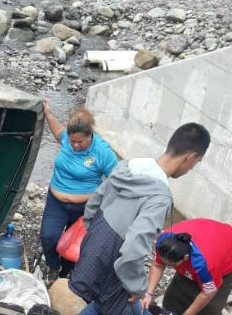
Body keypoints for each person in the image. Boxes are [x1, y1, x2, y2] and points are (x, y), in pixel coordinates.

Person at [68, 122, 211, 315]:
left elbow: (93, 205)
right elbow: (133, 247)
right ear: (191, 157)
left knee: (100, 305)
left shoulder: (129, 166)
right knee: (119, 307)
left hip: (93, 252)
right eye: (194, 164)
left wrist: (95, 241)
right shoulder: (159, 197)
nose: (190, 169)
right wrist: (137, 287)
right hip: (117, 267)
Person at [40, 100, 118, 285]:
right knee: (48, 236)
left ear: (90, 135)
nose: (74, 145)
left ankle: (66, 272)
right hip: (56, 202)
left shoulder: (102, 152)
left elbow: (116, 181)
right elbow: (58, 130)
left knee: (75, 243)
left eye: (79, 142)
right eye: (72, 140)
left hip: (86, 207)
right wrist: (48, 114)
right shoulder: (67, 139)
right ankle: (53, 266)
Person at [144, 219, 232, 315]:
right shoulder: (165, 243)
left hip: (226, 252)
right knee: (173, 298)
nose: (168, 267)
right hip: (206, 235)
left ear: (186, 257)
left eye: (172, 264)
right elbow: (157, 266)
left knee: (208, 309)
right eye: (165, 263)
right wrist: (148, 294)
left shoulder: (203, 264)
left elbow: (209, 292)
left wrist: (188, 313)